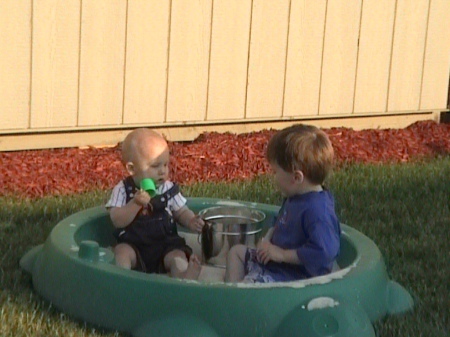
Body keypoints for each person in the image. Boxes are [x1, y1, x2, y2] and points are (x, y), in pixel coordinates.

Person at [225, 124, 341, 283]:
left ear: (296, 177)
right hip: (275, 263)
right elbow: (279, 221)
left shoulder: (318, 211)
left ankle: (240, 301)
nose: (273, 177)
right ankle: (231, 293)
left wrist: (281, 254)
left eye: (275, 171)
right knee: (236, 252)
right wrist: (267, 239)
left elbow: (324, 252)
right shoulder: (296, 195)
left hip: (295, 276)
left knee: (251, 285)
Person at [105, 128, 204, 280]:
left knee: (177, 256)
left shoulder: (168, 188)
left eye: (165, 165)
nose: (162, 171)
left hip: (165, 244)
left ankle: (184, 275)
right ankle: (123, 278)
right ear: (131, 169)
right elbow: (117, 220)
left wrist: (190, 221)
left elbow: (181, 211)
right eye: (155, 166)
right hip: (134, 245)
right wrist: (135, 204)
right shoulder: (123, 189)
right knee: (122, 251)